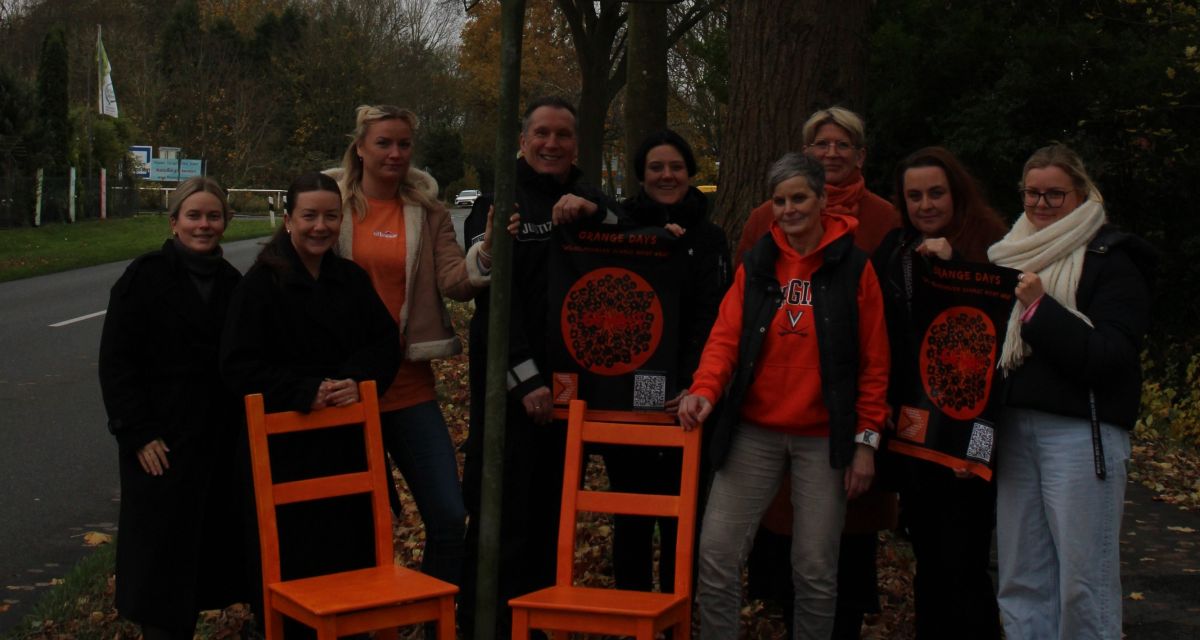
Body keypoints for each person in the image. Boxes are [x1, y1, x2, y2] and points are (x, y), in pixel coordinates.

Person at [679, 152, 890, 639]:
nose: (789, 209)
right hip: (753, 431)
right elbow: (725, 338)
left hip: (824, 437)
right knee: (716, 553)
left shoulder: (854, 267)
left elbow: (876, 363)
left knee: (815, 566)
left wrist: (866, 441)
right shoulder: (758, 264)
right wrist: (705, 390)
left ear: (821, 200)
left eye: (799, 197)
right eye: (780, 200)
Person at [736, 106, 900, 639]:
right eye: (821, 145)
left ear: (860, 155)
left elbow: (886, 316)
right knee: (788, 536)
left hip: (847, 408)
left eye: (843, 145)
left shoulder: (883, 218)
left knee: (844, 535)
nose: (831, 154)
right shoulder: (767, 215)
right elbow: (740, 308)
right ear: (805, 153)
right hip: (776, 406)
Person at [460, 95, 614, 638]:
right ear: (523, 140)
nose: (552, 144)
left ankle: (536, 621)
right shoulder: (498, 201)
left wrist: (595, 213)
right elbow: (494, 298)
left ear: (577, 144)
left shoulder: (591, 196)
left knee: (552, 508)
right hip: (510, 383)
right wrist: (524, 378)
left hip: (572, 384)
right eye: (542, 134)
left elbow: (624, 252)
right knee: (503, 507)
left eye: (564, 135)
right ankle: (489, 621)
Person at [220, 172, 401, 631]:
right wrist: (305, 390)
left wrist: (356, 380)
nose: (320, 226)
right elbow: (238, 366)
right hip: (284, 455)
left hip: (345, 445)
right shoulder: (260, 285)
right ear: (287, 220)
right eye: (309, 216)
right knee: (294, 569)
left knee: (351, 566)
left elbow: (384, 344)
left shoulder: (350, 279)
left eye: (330, 216)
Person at [987, 144, 1154, 640]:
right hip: (1017, 432)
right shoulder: (1007, 254)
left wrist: (1039, 311)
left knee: (1085, 582)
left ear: (1080, 193)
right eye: (1032, 193)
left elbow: (1109, 357)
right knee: (1021, 577)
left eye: (1054, 194)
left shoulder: (1115, 258)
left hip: (1083, 435)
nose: (1040, 205)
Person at [334, 104, 494, 590]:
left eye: (404, 144)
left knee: (448, 515)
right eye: (384, 142)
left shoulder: (427, 212)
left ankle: (433, 617)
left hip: (408, 388)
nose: (395, 153)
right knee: (352, 527)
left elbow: (454, 280)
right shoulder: (332, 205)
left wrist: (486, 253)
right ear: (360, 147)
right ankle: (359, 618)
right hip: (341, 391)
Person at [98, 176, 245, 640]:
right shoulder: (142, 278)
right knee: (160, 571)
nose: (204, 225)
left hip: (216, 443)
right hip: (158, 444)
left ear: (225, 222)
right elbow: (117, 363)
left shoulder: (233, 283)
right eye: (194, 215)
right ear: (174, 221)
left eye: (213, 216)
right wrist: (136, 432)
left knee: (206, 562)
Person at [872, 147, 1008, 639]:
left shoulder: (992, 245)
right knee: (927, 552)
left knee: (966, 557)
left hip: (970, 429)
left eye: (935, 193)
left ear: (956, 193)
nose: (926, 205)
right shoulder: (895, 249)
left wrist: (955, 275)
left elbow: (999, 330)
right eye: (914, 196)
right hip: (914, 428)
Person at [605, 129, 731, 593]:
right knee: (632, 512)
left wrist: (696, 382)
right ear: (641, 175)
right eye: (656, 167)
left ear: (690, 173)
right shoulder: (619, 228)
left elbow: (715, 314)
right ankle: (633, 612)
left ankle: (679, 611)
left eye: (676, 166)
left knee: (685, 515)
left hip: (690, 394)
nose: (666, 175)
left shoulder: (711, 237)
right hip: (629, 393)